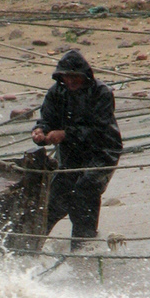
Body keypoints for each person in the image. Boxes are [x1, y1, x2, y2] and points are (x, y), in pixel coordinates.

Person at [31, 49, 123, 251]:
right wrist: (40, 131)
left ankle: (83, 247)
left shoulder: (101, 93)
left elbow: (100, 131)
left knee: (85, 191)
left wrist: (65, 134)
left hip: (102, 152)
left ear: (84, 75)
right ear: (61, 76)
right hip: (71, 153)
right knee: (55, 196)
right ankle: (30, 247)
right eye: (67, 76)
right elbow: (47, 119)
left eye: (75, 76)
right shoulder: (56, 92)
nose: (71, 81)